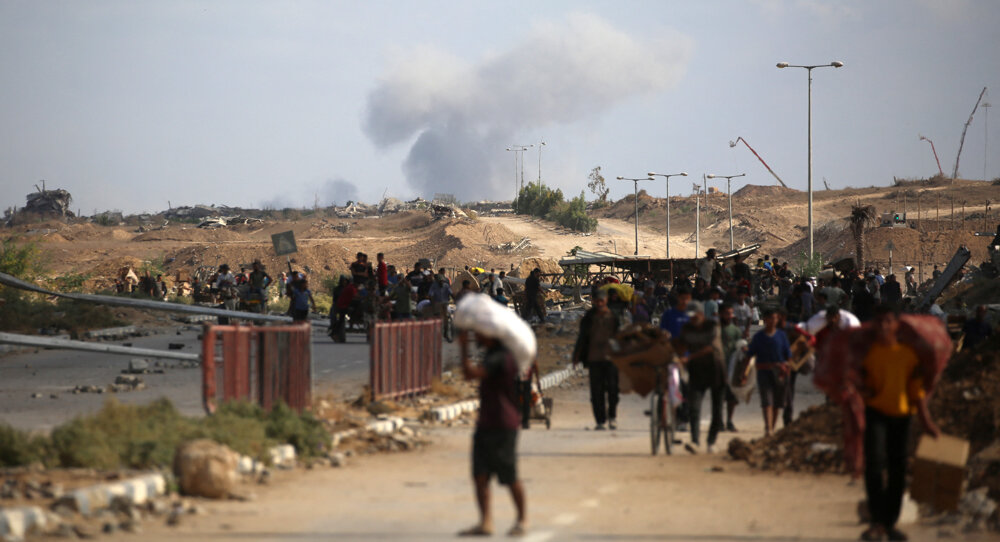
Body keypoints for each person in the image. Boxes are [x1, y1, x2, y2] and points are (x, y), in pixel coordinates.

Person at [859, 305, 940, 542]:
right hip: (875, 414)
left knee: (897, 470)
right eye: (879, 321)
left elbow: (917, 393)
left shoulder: (908, 355)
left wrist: (927, 422)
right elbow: (860, 383)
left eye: (888, 321)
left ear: (896, 325)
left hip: (901, 417)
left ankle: (889, 523)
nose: (884, 326)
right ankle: (876, 522)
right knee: (874, 467)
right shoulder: (869, 353)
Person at [457, 327, 527, 537]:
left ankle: (522, 519)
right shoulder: (492, 355)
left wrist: (462, 348)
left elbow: (471, 374)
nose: (477, 336)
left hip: (503, 423)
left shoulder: (501, 357)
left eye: (481, 333)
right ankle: (485, 522)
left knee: (509, 475)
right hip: (486, 421)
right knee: (480, 475)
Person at [676, 301, 726, 453]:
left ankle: (711, 441)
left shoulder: (712, 326)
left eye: (695, 316)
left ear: (701, 314)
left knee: (717, 409)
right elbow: (681, 345)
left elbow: (710, 347)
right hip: (697, 371)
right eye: (690, 316)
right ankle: (695, 441)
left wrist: (689, 358)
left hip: (716, 370)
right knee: (694, 408)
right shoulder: (687, 328)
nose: (692, 319)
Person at [572, 289, 621, 430]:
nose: (599, 303)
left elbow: (620, 337)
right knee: (596, 392)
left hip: (611, 359)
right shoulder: (588, 318)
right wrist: (576, 357)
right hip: (594, 359)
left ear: (606, 300)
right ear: (593, 301)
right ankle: (600, 421)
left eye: (602, 300)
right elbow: (581, 338)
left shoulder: (613, 317)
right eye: (597, 301)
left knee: (613, 390)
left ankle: (612, 417)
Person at [746, 308, 791, 437]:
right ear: (765, 320)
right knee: (767, 401)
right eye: (770, 318)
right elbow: (750, 355)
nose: (773, 321)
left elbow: (788, 355)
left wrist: (787, 368)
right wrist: (743, 374)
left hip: (779, 373)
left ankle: (772, 426)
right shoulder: (758, 337)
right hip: (763, 372)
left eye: (775, 318)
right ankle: (768, 428)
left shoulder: (781, 336)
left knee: (777, 403)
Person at [718, 303, 743, 432]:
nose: (730, 316)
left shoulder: (736, 330)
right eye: (727, 313)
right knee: (719, 397)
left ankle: (729, 421)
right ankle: (720, 421)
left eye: (731, 313)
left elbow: (740, 348)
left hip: (732, 368)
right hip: (717, 368)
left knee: (732, 397)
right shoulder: (715, 329)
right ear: (720, 314)